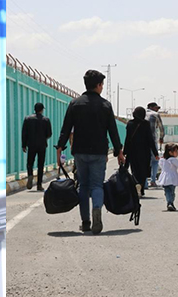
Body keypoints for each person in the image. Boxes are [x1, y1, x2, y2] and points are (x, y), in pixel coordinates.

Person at [57, 70, 124, 234]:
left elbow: (66, 128)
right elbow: (113, 131)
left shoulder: (75, 103)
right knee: (96, 185)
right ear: (99, 85)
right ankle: (97, 210)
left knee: (84, 186)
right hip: (99, 152)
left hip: (79, 151)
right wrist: (119, 151)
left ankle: (85, 221)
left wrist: (60, 147)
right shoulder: (106, 105)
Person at [124, 107, 160, 196]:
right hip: (144, 152)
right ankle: (141, 189)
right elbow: (150, 139)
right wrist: (155, 153)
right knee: (143, 171)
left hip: (133, 152)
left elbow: (127, 139)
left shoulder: (130, 124)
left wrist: (124, 152)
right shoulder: (146, 124)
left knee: (135, 171)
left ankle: (136, 186)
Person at [22, 102, 52, 191]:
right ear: (42, 110)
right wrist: (44, 138)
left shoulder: (27, 119)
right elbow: (49, 134)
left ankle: (30, 175)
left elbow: (24, 133)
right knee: (40, 164)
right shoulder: (46, 120)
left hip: (31, 144)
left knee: (30, 163)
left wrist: (24, 145)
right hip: (42, 145)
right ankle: (39, 184)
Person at [157, 143, 178, 211]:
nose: (177, 153)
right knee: (172, 192)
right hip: (172, 178)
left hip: (164, 178)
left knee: (167, 191)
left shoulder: (163, 160)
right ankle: (170, 203)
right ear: (170, 152)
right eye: (176, 151)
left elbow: (160, 165)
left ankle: (169, 202)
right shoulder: (173, 160)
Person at [145, 102, 164, 188]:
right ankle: (153, 181)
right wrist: (161, 138)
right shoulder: (156, 114)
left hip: (143, 142)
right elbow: (161, 128)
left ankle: (144, 182)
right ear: (151, 107)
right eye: (157, 108)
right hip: (153, 140)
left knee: (145, 162)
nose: (158, 110)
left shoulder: (142, 113)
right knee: (155, 161)